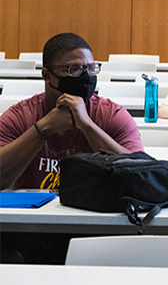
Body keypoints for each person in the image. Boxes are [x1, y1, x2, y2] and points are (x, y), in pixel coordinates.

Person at [0, 32, 144, 263]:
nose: (85, 77)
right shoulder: (20, 116)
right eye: (74, 70)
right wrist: (43, 129)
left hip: (97, 225)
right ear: (47, 75)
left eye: (91, 69)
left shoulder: (111, 114)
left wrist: (87, 125)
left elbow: (141, 174)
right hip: (31, 227)